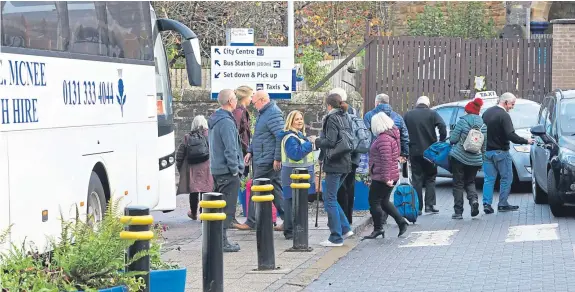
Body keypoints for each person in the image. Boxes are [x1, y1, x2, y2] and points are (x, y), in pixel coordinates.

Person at [235, 90, 286, 231]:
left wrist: (277, 158)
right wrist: (250, 151)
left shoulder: (273, 113)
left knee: (255, 188)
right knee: (276, 190)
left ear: (262, 100)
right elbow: (258, 136)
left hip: (267, 159)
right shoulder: (264, 113)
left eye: (255, 102)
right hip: (263, 157)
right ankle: (288, 220)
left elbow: (280, 136)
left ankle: (251, 221)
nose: (253, 104)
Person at [482, 92, 534, 213]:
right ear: (505, 102)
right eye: (512, 104)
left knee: (489, 179)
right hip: (501, 152)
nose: (512, 107)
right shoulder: (504, 116)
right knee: (506, 178)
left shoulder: (487, 113)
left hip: (487, 152)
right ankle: (503, 203)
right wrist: (526, 140)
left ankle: (486, 204)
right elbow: (511, 135)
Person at [315, 93, 354, 247]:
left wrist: (317, 141)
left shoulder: (331, 118)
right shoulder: (346, 116)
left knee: (329, 199)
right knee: (332, 197)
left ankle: (336, 237)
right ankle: (345, 228)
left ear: (329, 105)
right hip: (346, 162)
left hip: (334, 163)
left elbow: (331, 141)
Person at [208, 89, 244, 252]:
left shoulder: (215, 119)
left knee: (219, 207)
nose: (237, 101)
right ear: (230, 101)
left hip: (217, 169)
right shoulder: (226, 122)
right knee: (227, 209)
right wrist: (235, 170)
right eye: (235, 98)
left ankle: (217, 240)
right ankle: (222, 242)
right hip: (227, 172)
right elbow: (231, 149)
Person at [364, 112, 408, 239]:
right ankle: (401, 222)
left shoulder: (383, 139)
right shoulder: (392, 135)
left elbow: (386, 159)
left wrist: (386, 178)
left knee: (374, 202)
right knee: (384, 202)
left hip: (382, 176)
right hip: (389, 174)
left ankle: (378, 228)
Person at [403, 96, 446, 214]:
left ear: (417, 103)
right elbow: (442, 126)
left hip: (414, 151)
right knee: (430, 178)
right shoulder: (432, 114)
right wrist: (440, 142)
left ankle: (418, 206)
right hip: (430, 151)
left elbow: (402, 130)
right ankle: (429, 205)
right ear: (427, 104)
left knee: (417, 179)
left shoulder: (408, 115)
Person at [279, 110, 316, 240]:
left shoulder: (299, 136)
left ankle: (295, 229)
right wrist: (310, 144)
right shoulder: (290, 138)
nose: (300, 121)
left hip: (300, 176)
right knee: (290, 203)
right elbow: (295, 155)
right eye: (296, 119)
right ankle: (290, 230)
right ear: (290, 122)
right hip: (292, 175)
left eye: (301, 119)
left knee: (297, 203)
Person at [448, 98, 487, 219]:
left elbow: (453, 140)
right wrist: (482, 161)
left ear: (468, 110)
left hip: (459, 157)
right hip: (475, 159)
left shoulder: (462, 121)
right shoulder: (483, 125)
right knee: (470, 182)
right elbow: (484, 146)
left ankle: (458, 212)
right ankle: (474, 201)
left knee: (458, 184)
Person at [175, 115, 214, 220]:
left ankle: (193, 213)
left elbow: (179, 155)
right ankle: (204, 213)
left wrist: (181, 170)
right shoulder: (210, 135)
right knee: (205, 190)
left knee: (194, 192)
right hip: (207, 168)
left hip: (192, 169)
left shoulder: (187, 137)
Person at [329, 87, 357, 224]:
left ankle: (342, 221)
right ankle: (348, 218)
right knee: (349, 187)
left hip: (341, 156)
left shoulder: (337, 115)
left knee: (337, 191)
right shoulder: (352, 112)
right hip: (354, 155)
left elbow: (332, 140)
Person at [232, 85, 253, 177]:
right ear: (244, 97)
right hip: (240, 152)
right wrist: (246, 148)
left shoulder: (242, 111)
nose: (251, 99)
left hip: (243, 151)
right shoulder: (238, 112)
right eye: (250, 96)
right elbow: (235, 133)